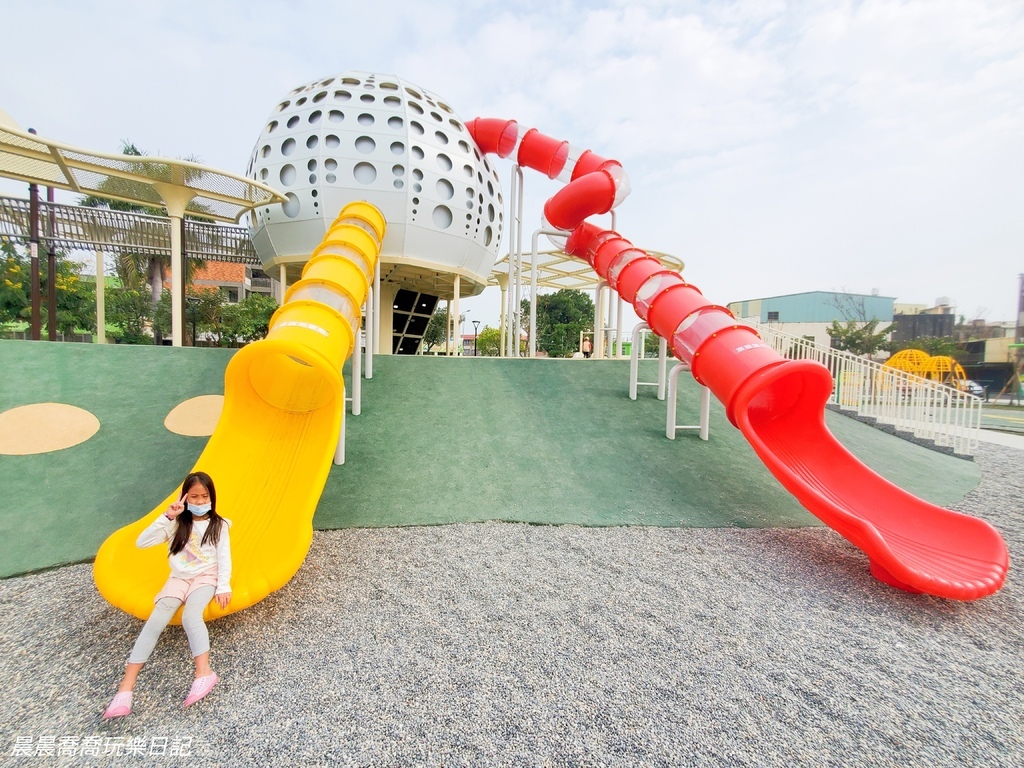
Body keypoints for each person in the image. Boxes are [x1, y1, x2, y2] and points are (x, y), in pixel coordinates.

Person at [103, 471, 232, 719]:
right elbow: (142, 542)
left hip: (205, 578)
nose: (199, 501)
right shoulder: (175, 523)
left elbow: (224, 558)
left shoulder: (220, 525)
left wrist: (223, 585)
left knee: (191, 616)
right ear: (184, 498)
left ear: (212, 497)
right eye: (193, 497)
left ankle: (204, 673)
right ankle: (125, 689)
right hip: (178, 579)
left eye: (204, 496)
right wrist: (167, 516)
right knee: (157, 619)